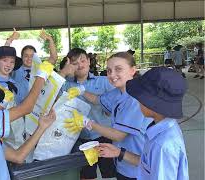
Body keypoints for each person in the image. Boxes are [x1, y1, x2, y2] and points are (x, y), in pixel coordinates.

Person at [65, 52, 152, 179]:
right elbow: (98, 100)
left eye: (118, 69)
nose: (112, 75)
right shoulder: (118, 93)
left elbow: (118, 135)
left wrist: (88, 123)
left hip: (137, 165)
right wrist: (82, 91)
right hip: (123, 161)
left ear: (133, 70)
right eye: (109, 70)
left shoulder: (134, 99)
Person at [97, 67, 189, 180]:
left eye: (139, 98)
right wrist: (119, 153)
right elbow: (149, 165)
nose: (137, 101)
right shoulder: (161, 128)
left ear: (152, 103)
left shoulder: (162, 145)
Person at [59, 48, 116, 180]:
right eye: (74, 63)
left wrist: (83, 91)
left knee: (109, 173)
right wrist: (63, 72)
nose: (80, 65)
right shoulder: (66, 85)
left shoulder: (103, 82)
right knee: (87, 175)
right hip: (80, 138)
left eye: (82, 60)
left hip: (103, 135)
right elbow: (51, 91)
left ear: (89, 61)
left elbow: (113, 106)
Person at [6, 28, 58, 104]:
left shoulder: (41, 68)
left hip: (36, 110)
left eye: (32, 56)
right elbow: (5, 58)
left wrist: (50, 39)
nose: (29, 58)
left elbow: (53, 58)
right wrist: (10, 40)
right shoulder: (15, 68)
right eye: (26, 55)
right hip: (18, 108)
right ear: (21, 57)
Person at [0, 46, 25, 150]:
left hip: (19, 130)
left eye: (12, 62)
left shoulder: (15, 84)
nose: (8, 65)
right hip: (2, 133)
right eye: (5, 60)